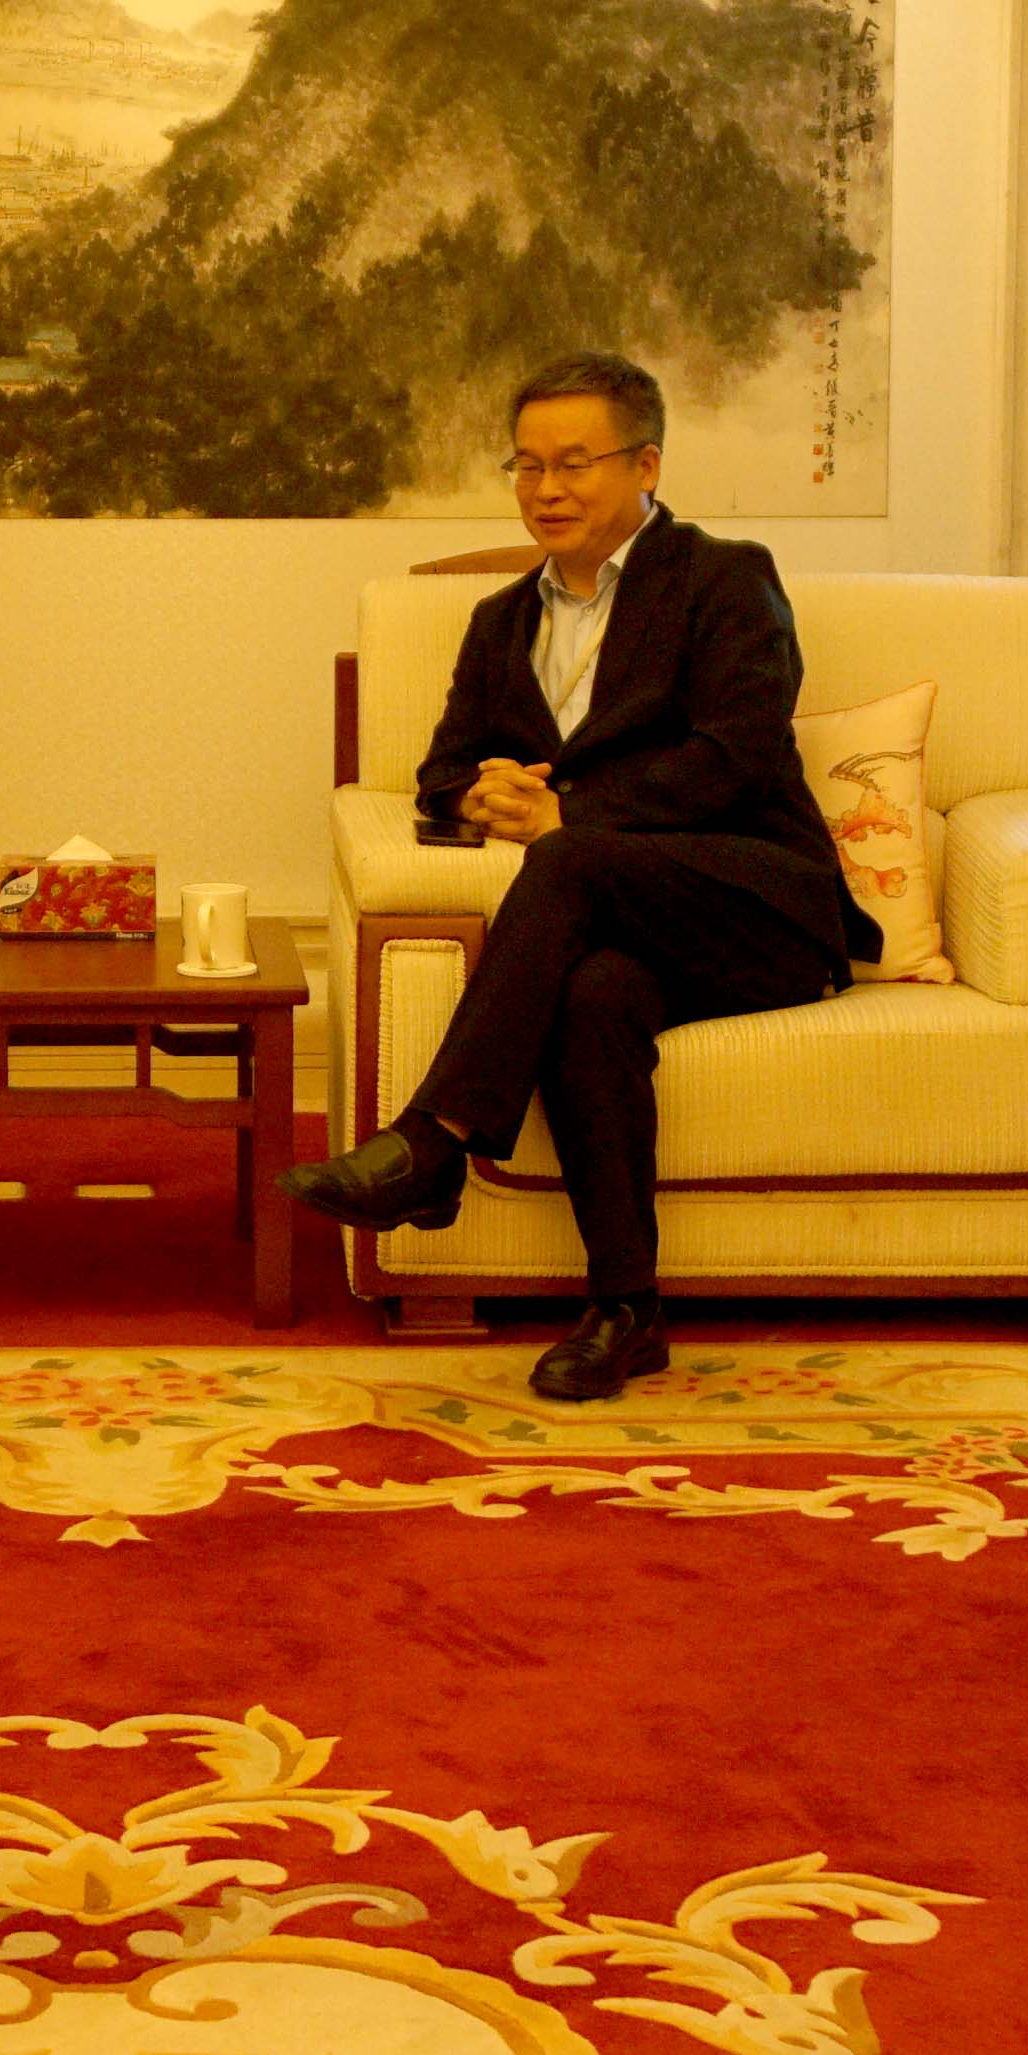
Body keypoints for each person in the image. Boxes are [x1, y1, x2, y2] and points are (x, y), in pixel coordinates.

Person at [282, 352, 866, 1403]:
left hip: (760, 904)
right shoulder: (500, 621)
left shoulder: (725, 579)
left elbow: (736, 752)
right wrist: (482, 795)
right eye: (526, 465)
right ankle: (626, 1312)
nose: (545, 489)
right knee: (593, 995)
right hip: (623, 925)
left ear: (645, 465)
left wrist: (568, 815)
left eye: (573, 463)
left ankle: (433, 1142)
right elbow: (440, 769)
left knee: (568, 855)